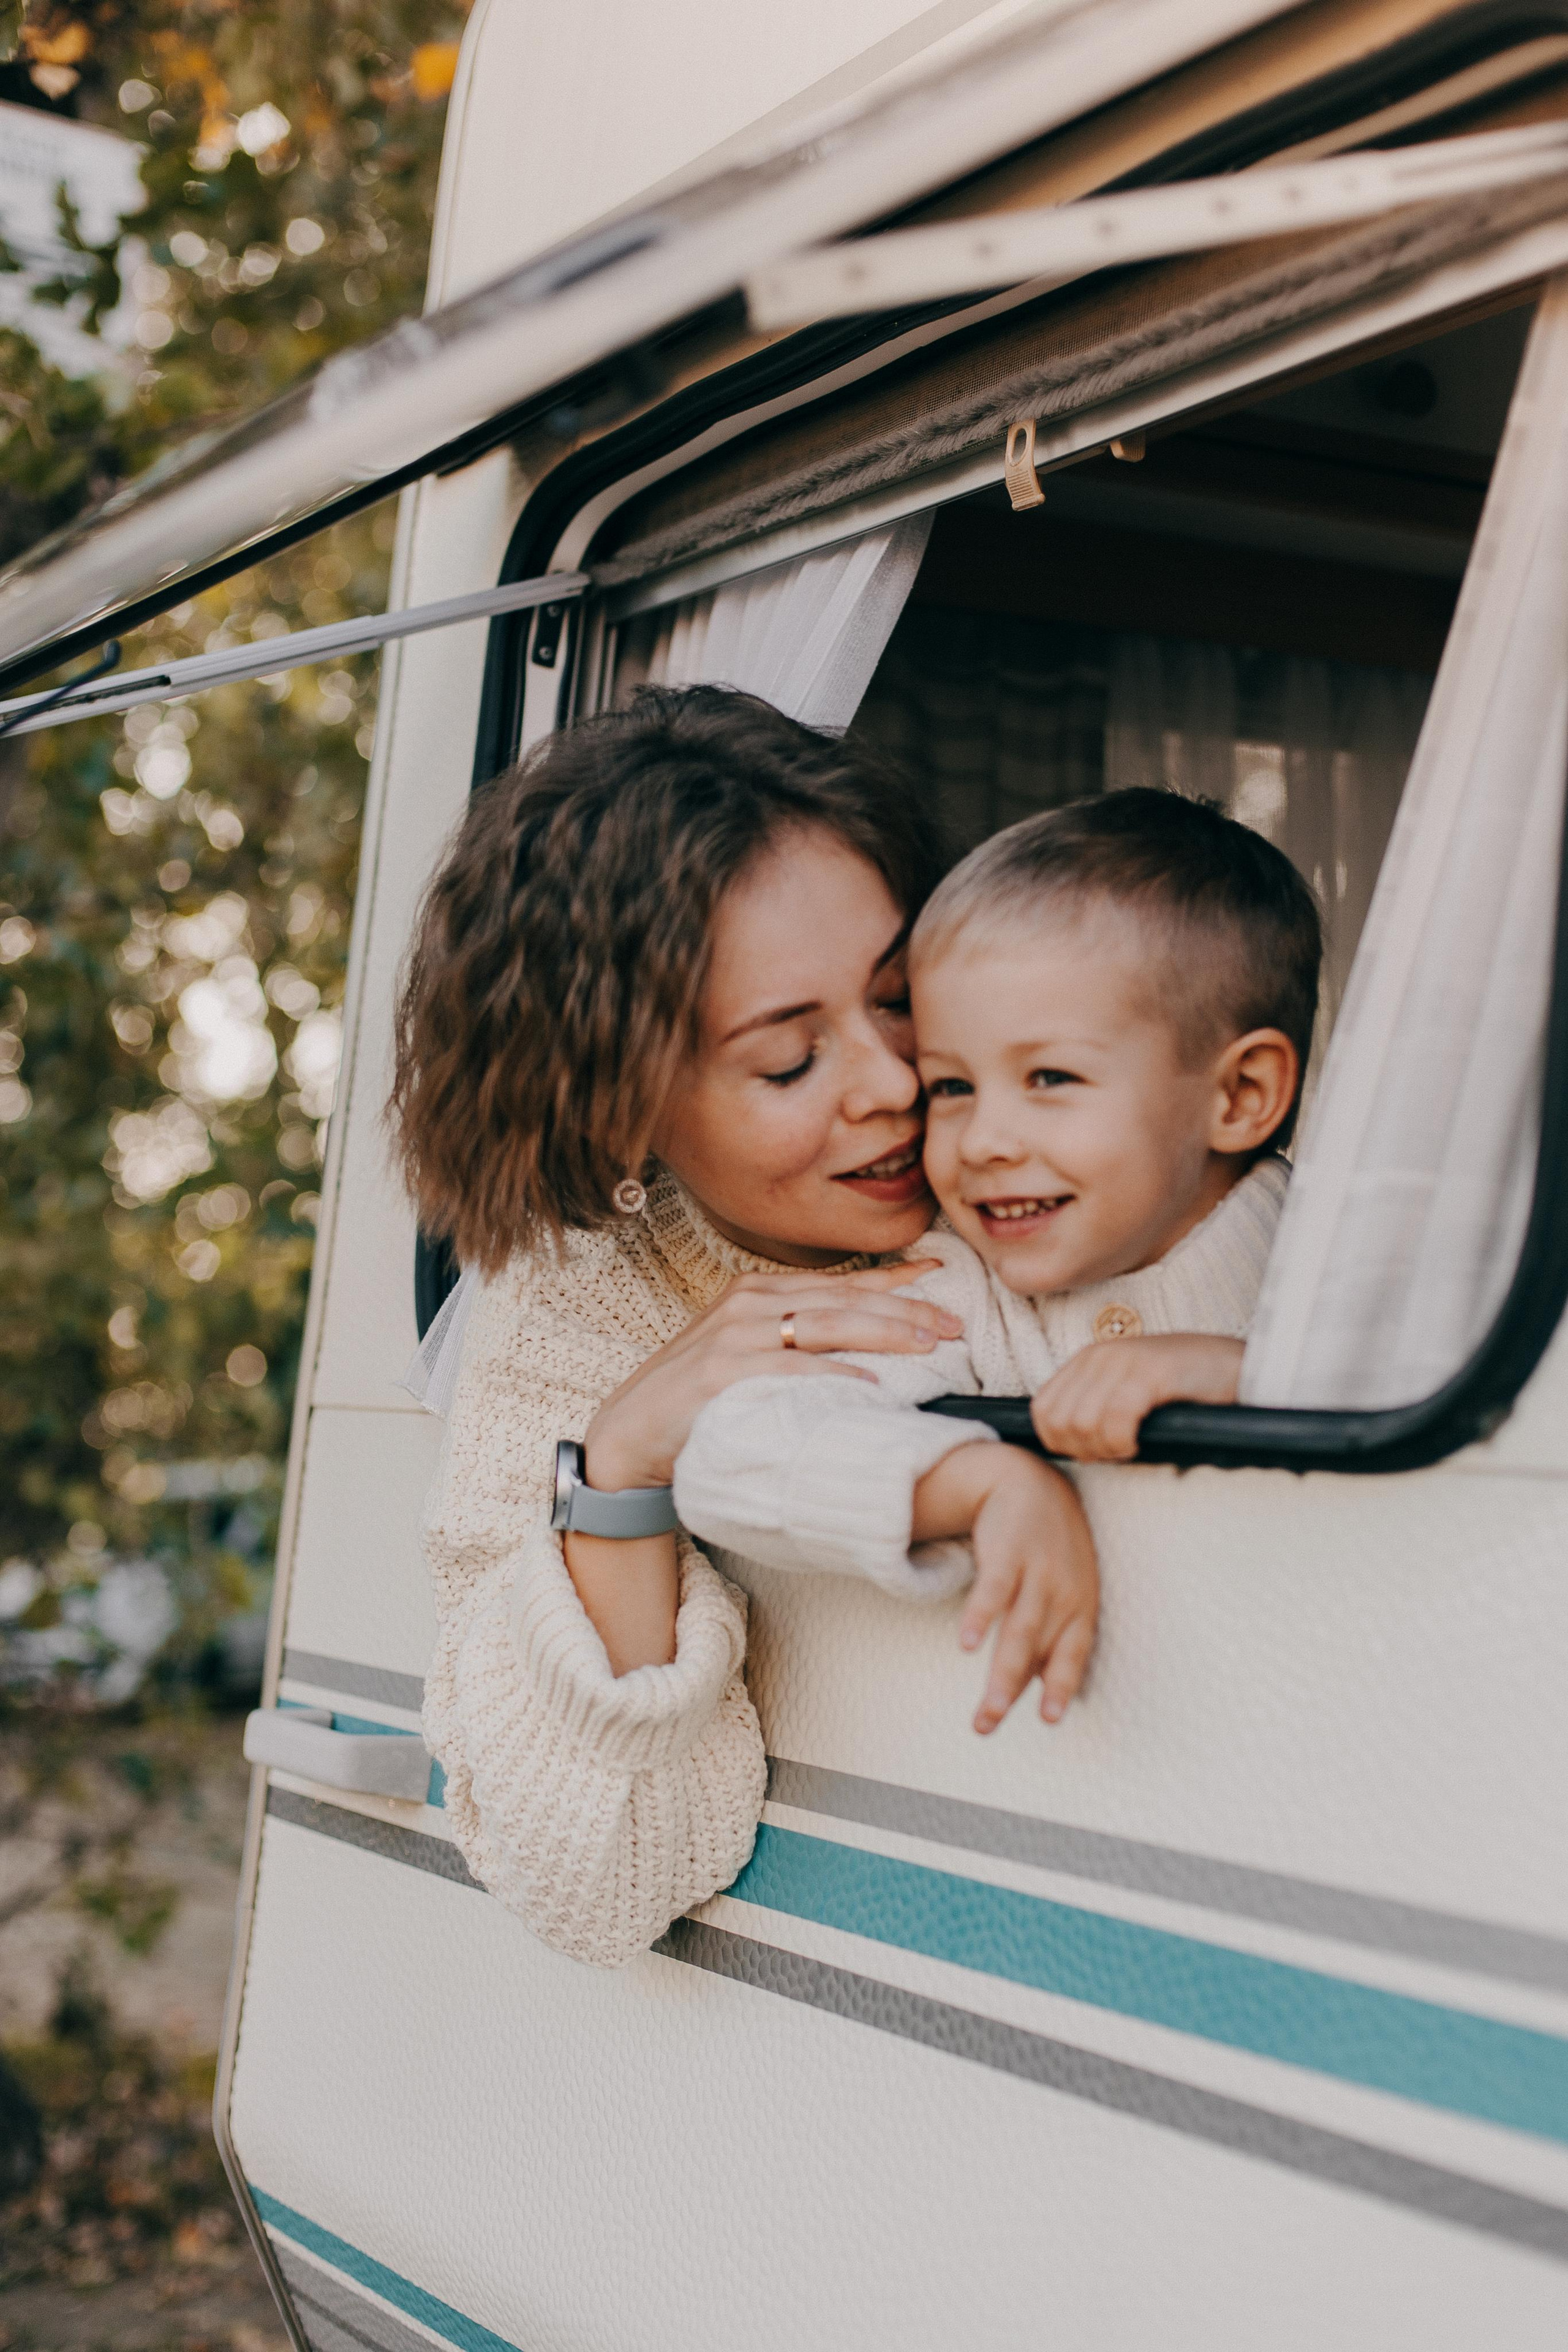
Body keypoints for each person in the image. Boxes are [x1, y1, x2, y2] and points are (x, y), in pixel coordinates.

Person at [388, 685, 1074, 1969]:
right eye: (784, 1062)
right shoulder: (577, 1310)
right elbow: (593, 1885)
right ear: (622, 1113)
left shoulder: (1059, 1146)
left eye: (896, 999)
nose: (887, 1085)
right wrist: (628, 1463)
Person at [675, 788, 1322, 1728]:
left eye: (1049, 1078)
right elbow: (732, 1451)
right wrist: (983, 1478)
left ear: (1241, 1096)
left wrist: (1244, 1377)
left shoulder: (1342, 1256)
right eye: (952, 1086)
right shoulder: (961, 1290)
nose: (980, 1142)